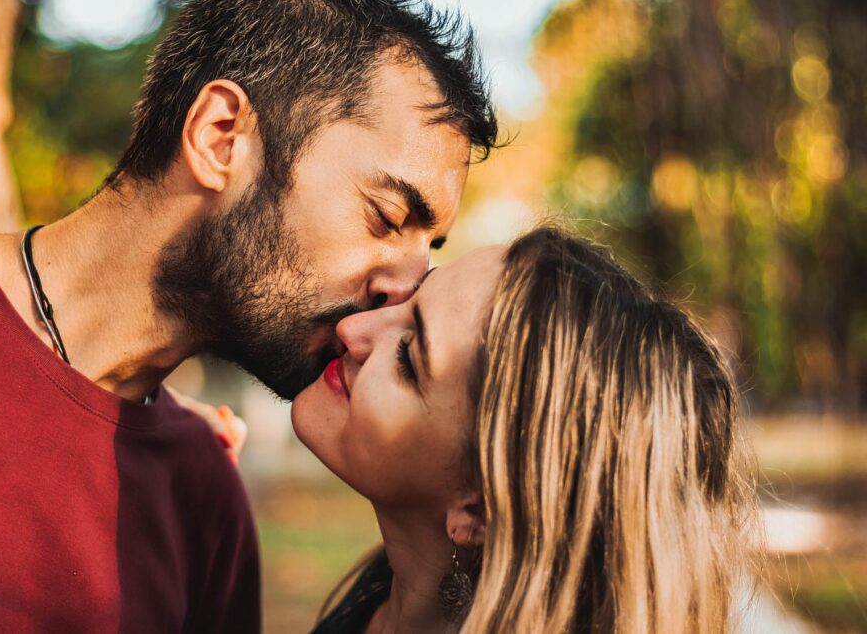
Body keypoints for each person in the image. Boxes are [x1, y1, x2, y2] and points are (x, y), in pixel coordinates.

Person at [0, 0, 497, 631]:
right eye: (388, 217)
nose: (405, 289)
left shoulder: (207, 503)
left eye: (428, 249)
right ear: (220, 137)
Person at [293, 226, 758, 634]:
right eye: (411, 299)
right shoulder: (377, 591)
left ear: (478, 510)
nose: (353, 328)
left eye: (408, 361)